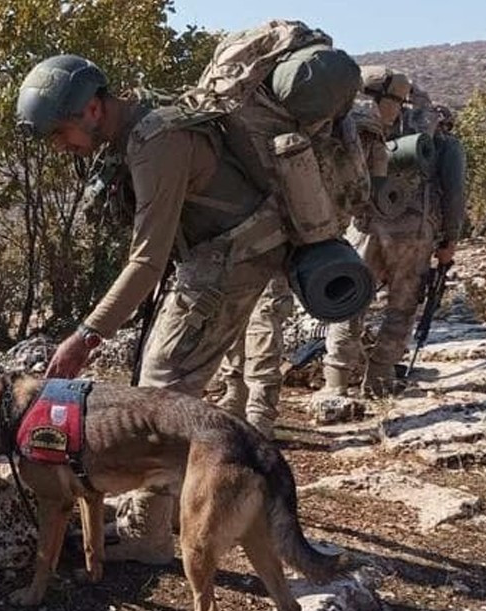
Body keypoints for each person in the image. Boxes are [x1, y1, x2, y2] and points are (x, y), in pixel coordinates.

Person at [17, 54, 291, 563]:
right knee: (167, 378)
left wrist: (85, 336)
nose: (60, 147)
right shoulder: (141, 121)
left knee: (163, 387)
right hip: (221, 253)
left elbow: (145, 262)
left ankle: (149, 536)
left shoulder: (155, 142)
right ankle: (205, 505)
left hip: (231, 258)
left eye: (60, 133)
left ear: (94, 109)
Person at [318, 69, 466, 397]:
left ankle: (336, 384)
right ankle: (379, 378)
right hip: (415, 232)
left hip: (366, 226)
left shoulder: (365, 124)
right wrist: (450, 241)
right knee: (401, 305)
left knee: (350, 300)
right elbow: (455, 194)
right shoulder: (442, 142)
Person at [213, 276, 294, 439]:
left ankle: (260, 411)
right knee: (231, 312)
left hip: (270, 258)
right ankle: (237, 396)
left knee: (264, 316)